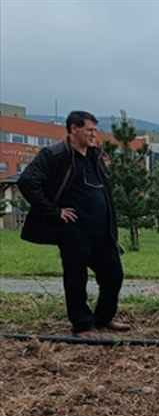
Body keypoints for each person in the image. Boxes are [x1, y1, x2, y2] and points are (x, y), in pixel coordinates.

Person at [18, 110, 130, 336]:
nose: (93, 134)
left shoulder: (95, 155)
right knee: (76, 278)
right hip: (74, 231)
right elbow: (27, 182)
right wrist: (54, 211)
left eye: (95, 130)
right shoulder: (55, 155)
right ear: (73, 129)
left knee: (113, 274)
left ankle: (103, 318)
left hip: (101, 231)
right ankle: (81, 324)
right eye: (89, 130)